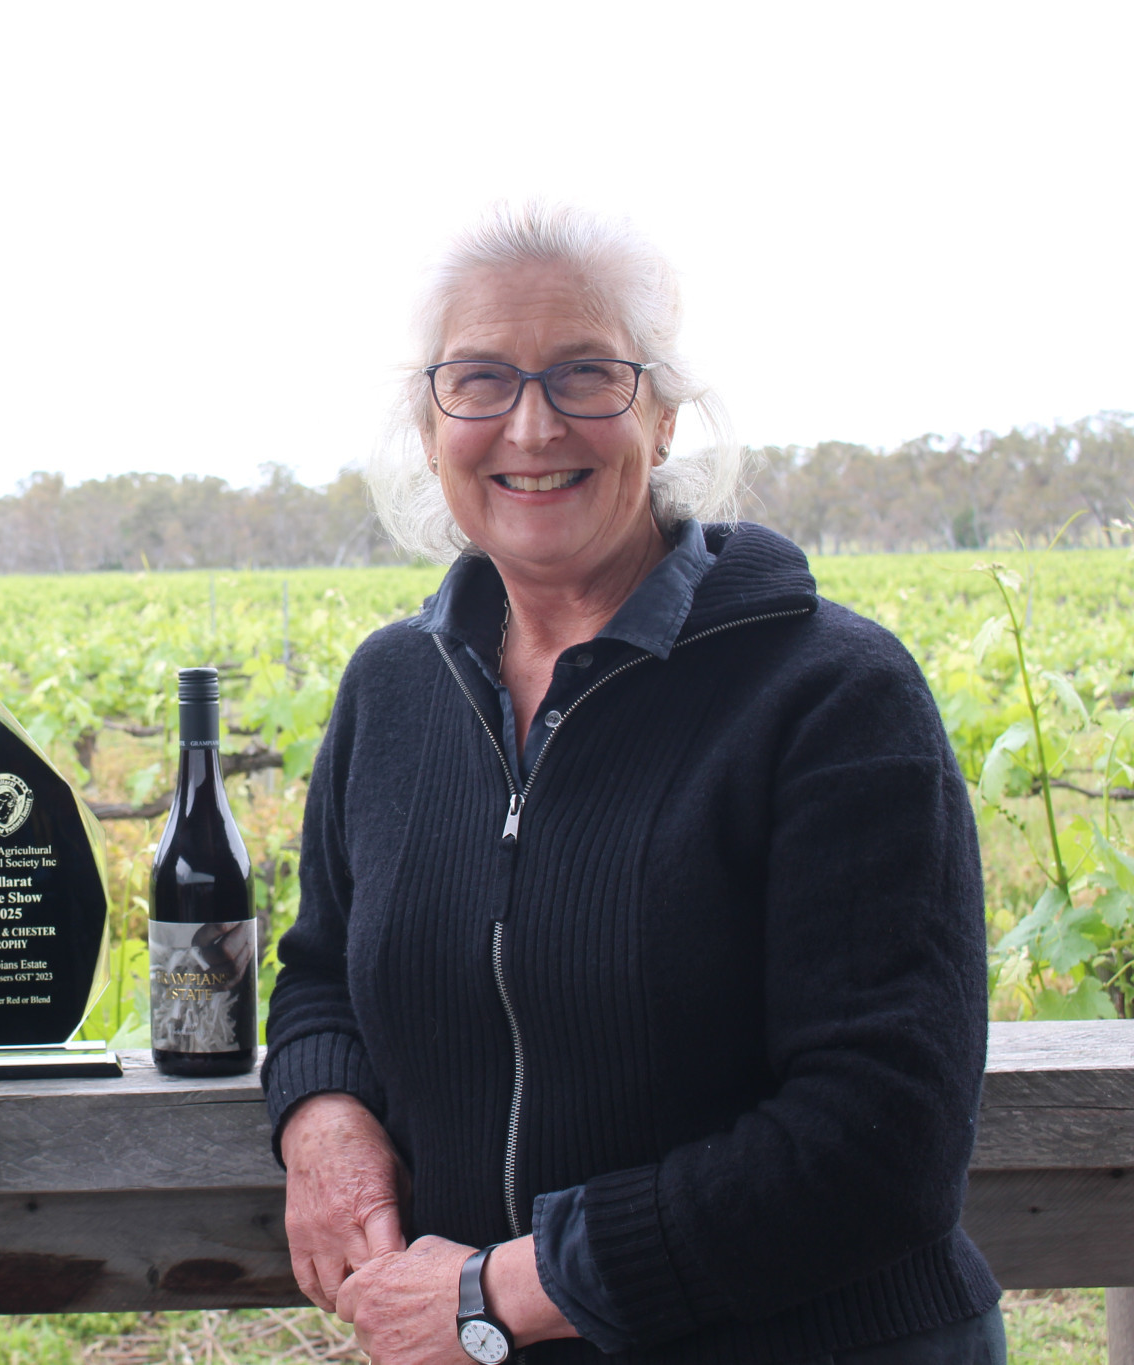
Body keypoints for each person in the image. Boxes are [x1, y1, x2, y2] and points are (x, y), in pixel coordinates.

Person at [262, 202, 1002, 1364]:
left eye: (584, 376)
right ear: (427, 422)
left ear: (661, 418)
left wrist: (508, 1287)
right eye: (479, 380)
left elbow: (881, 1141)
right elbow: (321, 974)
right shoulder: (394, 688)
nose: (530, 423)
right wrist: (321, 1119)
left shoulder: (828, 695)